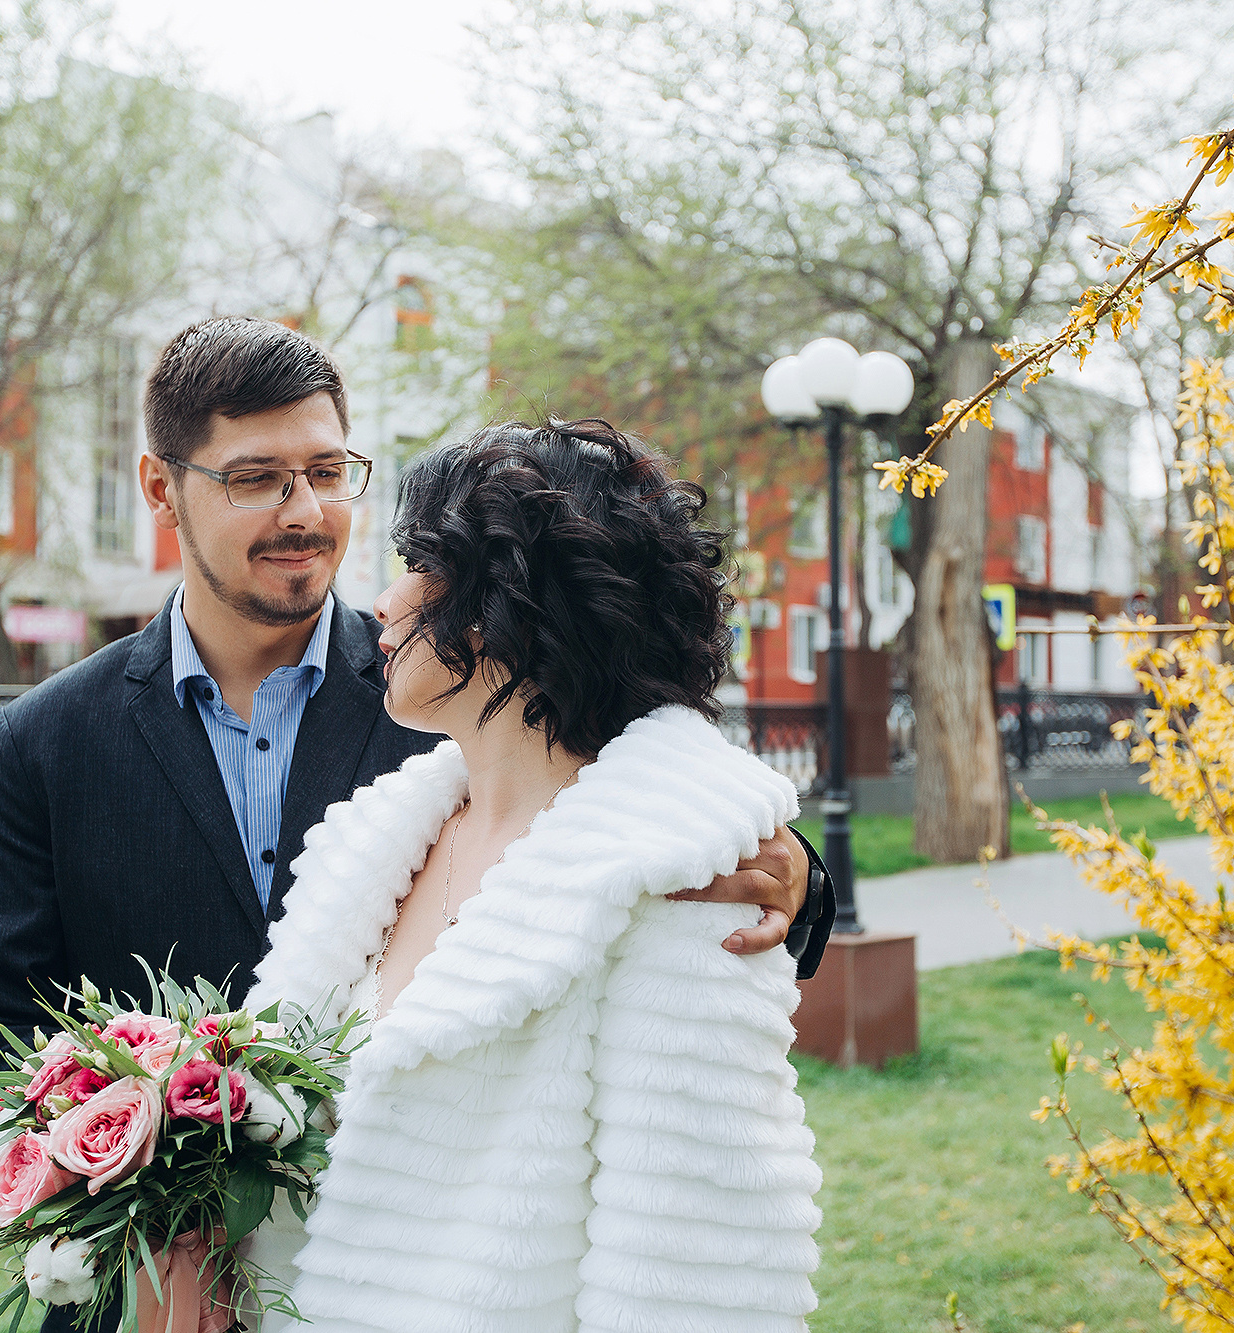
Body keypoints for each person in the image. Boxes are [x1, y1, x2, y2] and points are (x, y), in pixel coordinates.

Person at [0, 318, 833, 1333]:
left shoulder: (447, 697)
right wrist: (139, 1163)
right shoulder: (49, 736)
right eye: (255, 477)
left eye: (326, 470)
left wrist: (784, 864)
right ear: (159, 487)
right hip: (143, 1297)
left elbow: (637, 841)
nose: (303, 511)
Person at [246, 419, 824, 1332]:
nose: (385, 603)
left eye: (420, 567)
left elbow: (693, 1274)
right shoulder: (379, 845)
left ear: (507, 603)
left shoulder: (680, 883)